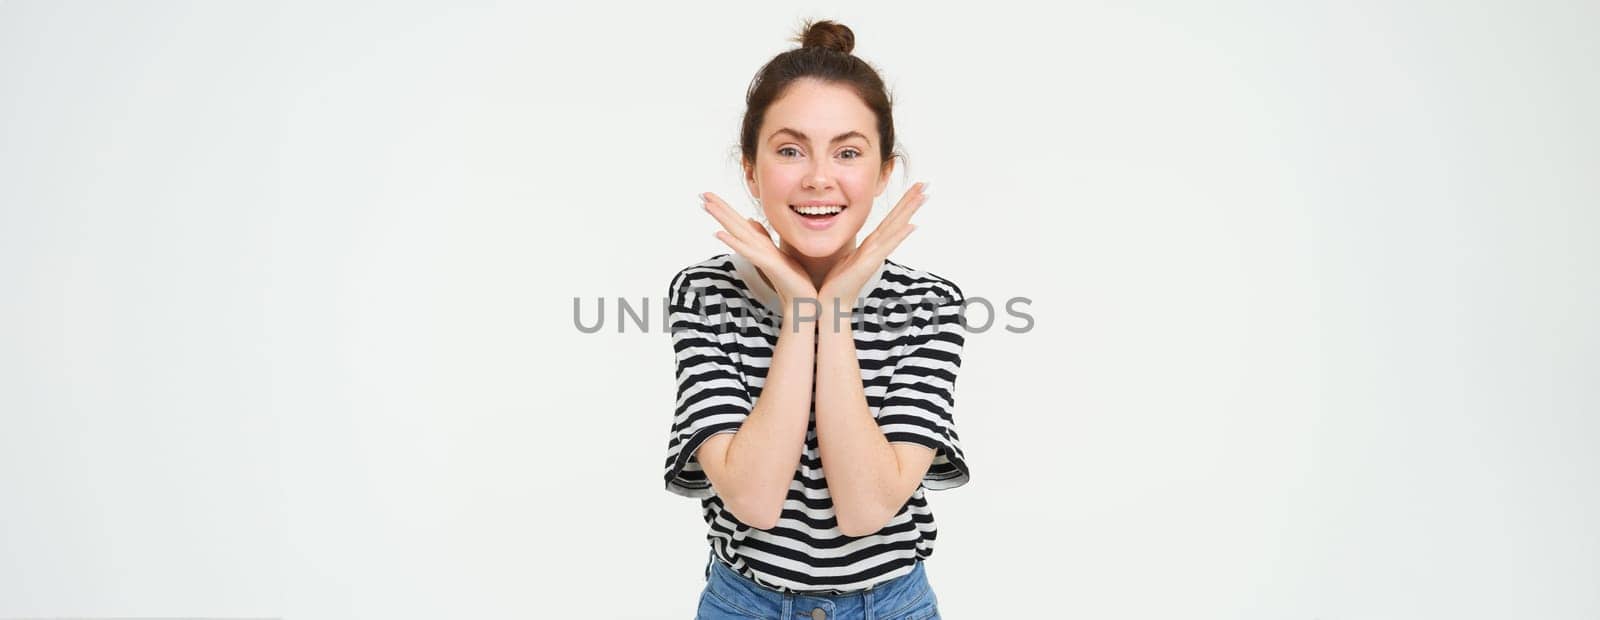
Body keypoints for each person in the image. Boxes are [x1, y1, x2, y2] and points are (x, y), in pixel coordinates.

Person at [664, 19, 970, 620]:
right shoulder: (705, 293)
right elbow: (752, 498)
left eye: (849, 152)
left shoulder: (930, 305)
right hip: (742, 605)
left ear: (884, 172)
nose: (818, 177)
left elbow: (865, 510)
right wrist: (805, 307)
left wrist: (830, 309)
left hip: (891, 606)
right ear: (751, 170)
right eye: (789, 150)